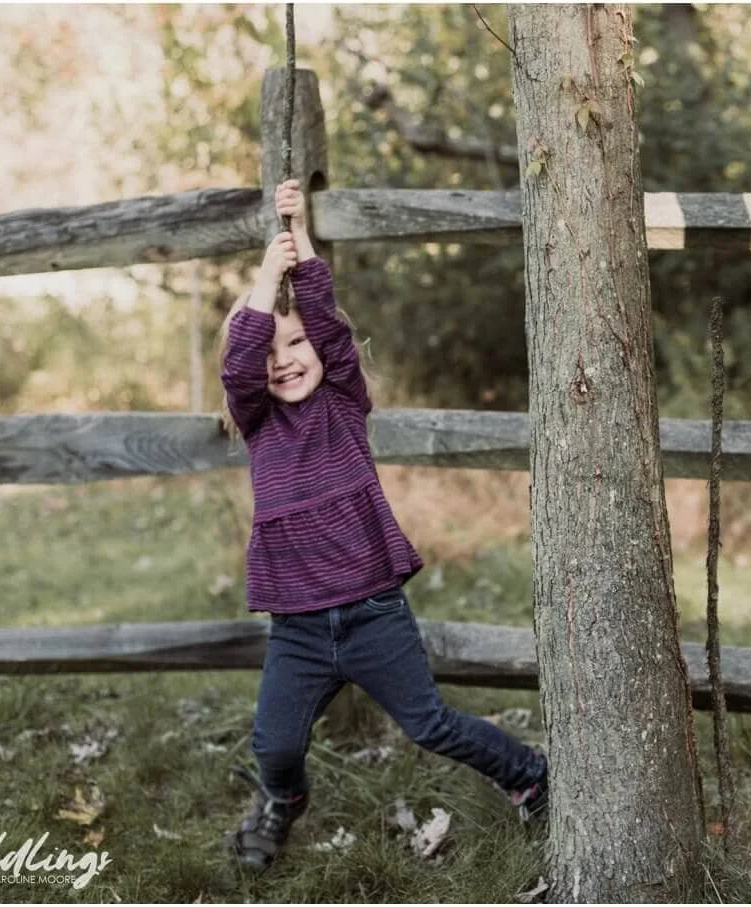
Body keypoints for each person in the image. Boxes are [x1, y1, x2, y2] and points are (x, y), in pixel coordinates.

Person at [218, 180, 547, 873]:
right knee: (274, 743)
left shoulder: (342, 401)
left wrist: (300, 241)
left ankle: (530, 775)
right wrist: (264, 273)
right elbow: (239, 364)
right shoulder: (257, 423)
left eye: (295, 342)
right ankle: (282, 800)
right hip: (300, 627)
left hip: (372, 611)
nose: (285, 360)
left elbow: (332, 333)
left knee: (428, 722)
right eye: (270, 353)